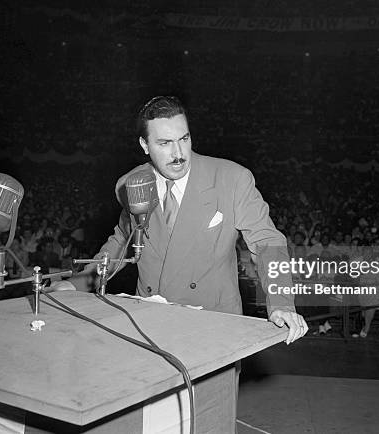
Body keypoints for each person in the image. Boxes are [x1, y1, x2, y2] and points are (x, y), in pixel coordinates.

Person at [76, 96, 307, 344]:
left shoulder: (232, 179)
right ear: (144, 145)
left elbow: (267, 243)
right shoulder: (132, 184)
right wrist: (77, 284)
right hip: (147, 326)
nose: (178, 154)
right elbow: (122, 240)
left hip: (213, 327)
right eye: (164, 143)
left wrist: (282, 304)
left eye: (183, 139)